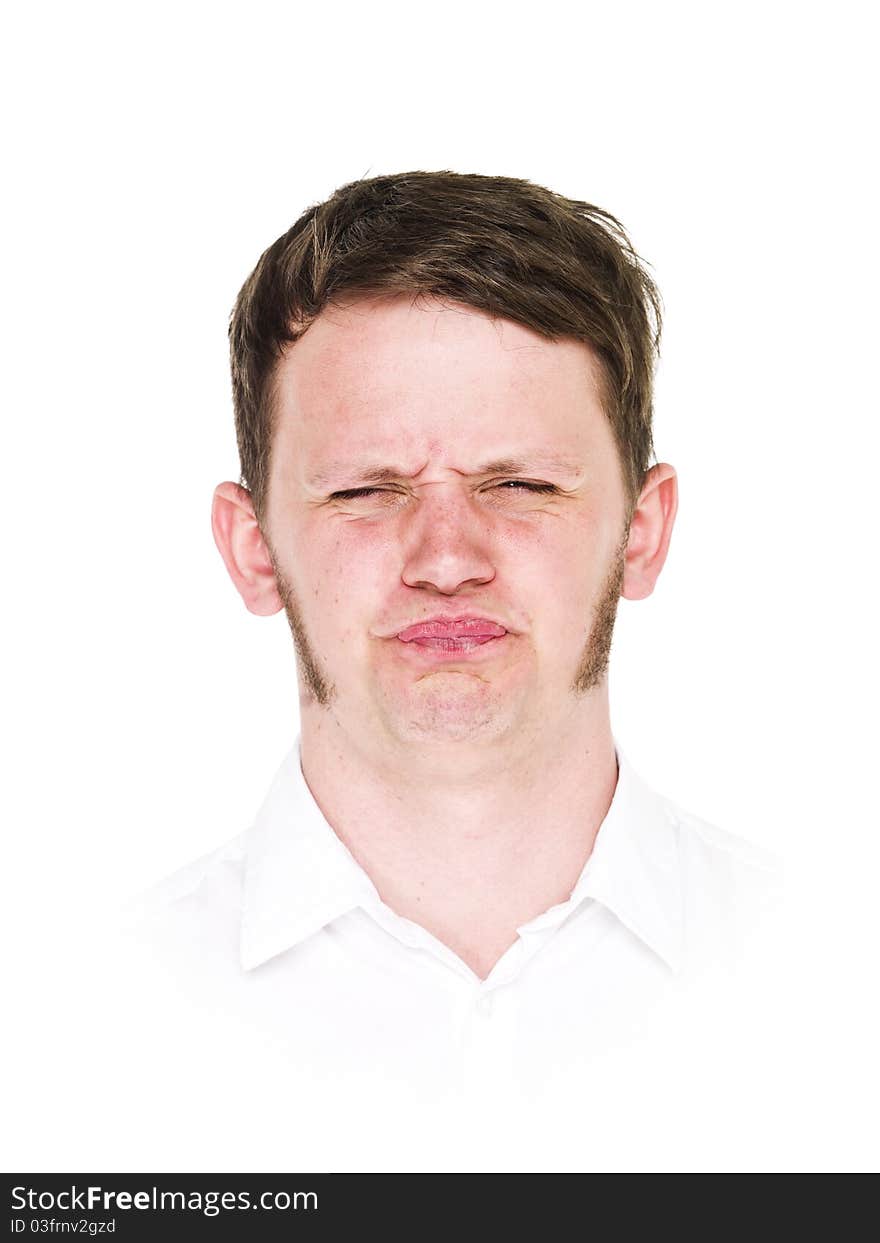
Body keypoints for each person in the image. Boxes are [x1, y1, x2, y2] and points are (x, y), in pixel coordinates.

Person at [125, 170, 780, 1120]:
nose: (444, 558)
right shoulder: (76, 1021)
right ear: (253, 548)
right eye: (363, 490)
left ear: (643, 531)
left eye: (520, 485)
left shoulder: (838, 985)